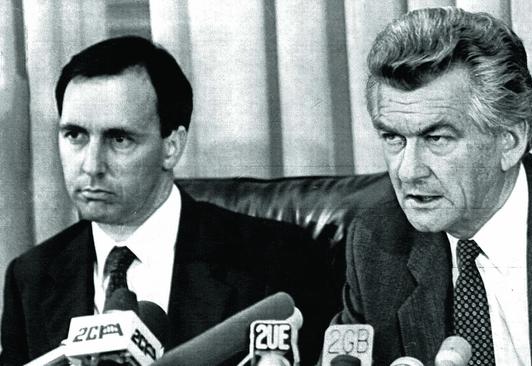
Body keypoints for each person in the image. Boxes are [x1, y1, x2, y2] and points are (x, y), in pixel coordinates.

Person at [336, 7, 532, 366]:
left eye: (437, 138)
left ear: (510, 141)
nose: (407, 172)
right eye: (393, 137)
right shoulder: (377, 244)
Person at [0, 36, 336, 365]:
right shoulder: (30, 277)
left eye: (119, 139)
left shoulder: (274, 259)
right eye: (75, 135)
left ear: (171, 146)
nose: (91, 165)